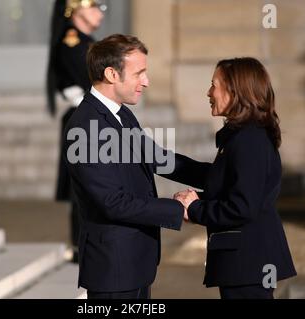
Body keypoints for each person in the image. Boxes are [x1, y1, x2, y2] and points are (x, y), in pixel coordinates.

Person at [64, 34, 206, 299]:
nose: (146, 82)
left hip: (135, 265)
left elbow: (158, 158)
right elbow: (112, 202)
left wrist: (218, 175)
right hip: (113, 271)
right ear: (111, 74)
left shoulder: (120, 113)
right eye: (139, 73)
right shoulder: (85, 127)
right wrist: (179, 209)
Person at [174, 57, 297, 299]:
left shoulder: (248, 140)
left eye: (214, 85)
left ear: (234, 91)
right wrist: (161, 161)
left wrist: (196, 208)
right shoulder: (245, 136)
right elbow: (218, 178)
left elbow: (242, 206)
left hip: (248, 263)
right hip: (246, 264)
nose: (208, 92)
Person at [46, 0, 105, 263]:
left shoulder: (87, 41)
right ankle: (83, 245)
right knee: (83, 184)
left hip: (92, 117)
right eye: (95, 6)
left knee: (98, 182)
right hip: (83, 117)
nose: (99, 13)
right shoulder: (72, 42)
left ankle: (91, 242)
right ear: (77, 9)